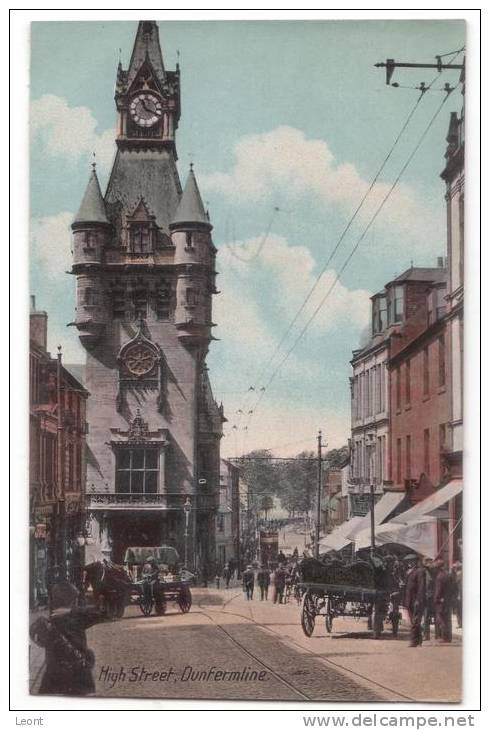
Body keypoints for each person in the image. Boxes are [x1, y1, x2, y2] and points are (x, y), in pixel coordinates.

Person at [30, 581, 105, 696]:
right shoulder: (77, 618)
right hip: (79, 672)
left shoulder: (49, 622)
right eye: (74, 600)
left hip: (54, 675)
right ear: (71, 601)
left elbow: (38, 639)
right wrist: (72, 611)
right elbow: (102, 613)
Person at [404, 555, 426, 647]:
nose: (409, 563)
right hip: (409, 599)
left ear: (416, 561)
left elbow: (421, 587)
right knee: (413, 621)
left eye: (411, 561)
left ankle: (413, 641)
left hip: (416, 599)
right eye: (408, 561)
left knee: (415, 621)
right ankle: (419, 640)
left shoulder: (420, 571)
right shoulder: (409, 572)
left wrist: (418, 600)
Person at [433, 559, 453, 643]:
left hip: (441, 601)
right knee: (448, 619)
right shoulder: (448, 575)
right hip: (448, 599)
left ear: (438, 568)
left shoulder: (439, 576)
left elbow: (438, 590)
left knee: (442, 619)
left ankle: (444, 637)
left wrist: (436, 599)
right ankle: (449, 637)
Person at [422, 558, 436, 641]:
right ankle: (426, 634)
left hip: (432, 597)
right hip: (426, 597)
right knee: (426, 617)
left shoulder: (434, 573)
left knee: (430, 616)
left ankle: (437, 635)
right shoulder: (423, 573)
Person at [451, 561, 462, 628]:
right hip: (458, 596)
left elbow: (459, 587)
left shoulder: (459, 575)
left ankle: (460, 624)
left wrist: (458, 595)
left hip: (458, 596)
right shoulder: (457, 575)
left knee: (458, 610)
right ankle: (460, 623)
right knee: (459, 610)